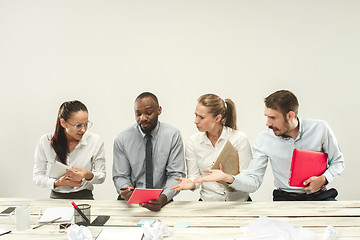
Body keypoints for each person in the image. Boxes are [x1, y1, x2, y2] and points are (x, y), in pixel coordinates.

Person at [195, 90, 344, 201]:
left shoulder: (320, 129)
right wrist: (229, 178)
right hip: (286, 199)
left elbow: (338, 162)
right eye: (266, 116)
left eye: (272, 117)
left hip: (321, 196)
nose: (267, 123)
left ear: (290, 115)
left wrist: (324, 179)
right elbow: (253, 182)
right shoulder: (264, 139)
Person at [171, 94, 252, 201]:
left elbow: (249, 181)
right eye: (196, 115)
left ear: (217, 118)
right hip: (208, 204)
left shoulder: (239, 138)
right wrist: (192, 183)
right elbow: (194, 176)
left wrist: (227, 179)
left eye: (201, 117)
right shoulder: (193, 142)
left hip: (240, 204)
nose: (196, 121)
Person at [112, 92, 186, 211]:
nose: (143, 118)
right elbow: (120, 176)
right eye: (138, 114)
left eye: (148, 113)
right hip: (131, 202)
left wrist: (163, 198)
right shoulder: (122, 138)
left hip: (162, 199)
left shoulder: (173, 135)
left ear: (159, 110)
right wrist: (125, 188)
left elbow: (176, 175)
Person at [33, 100, 106, 199]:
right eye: (78, 125)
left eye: (86, 124)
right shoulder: (46, 141)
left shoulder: (95, 141)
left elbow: (101, 176)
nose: (84, 130)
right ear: (63, 123)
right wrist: (57, 183)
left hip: (84, 197)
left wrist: (86, 174)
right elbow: (37, 177)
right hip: (56, 198)